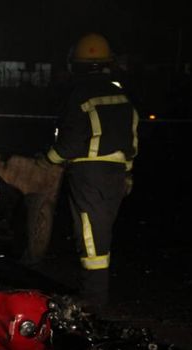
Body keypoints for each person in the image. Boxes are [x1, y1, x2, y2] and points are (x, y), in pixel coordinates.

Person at [40, 33, 138, 308]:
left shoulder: (79, 95)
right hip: (117, 174)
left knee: (90, 235)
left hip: (89, 174)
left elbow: (69, 142)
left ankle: (92, 299)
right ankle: (95, 294)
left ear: (76, 65)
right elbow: (131, 136)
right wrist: (127, 172)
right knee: (101, 232)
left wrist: (47, 159)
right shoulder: (120, 94)